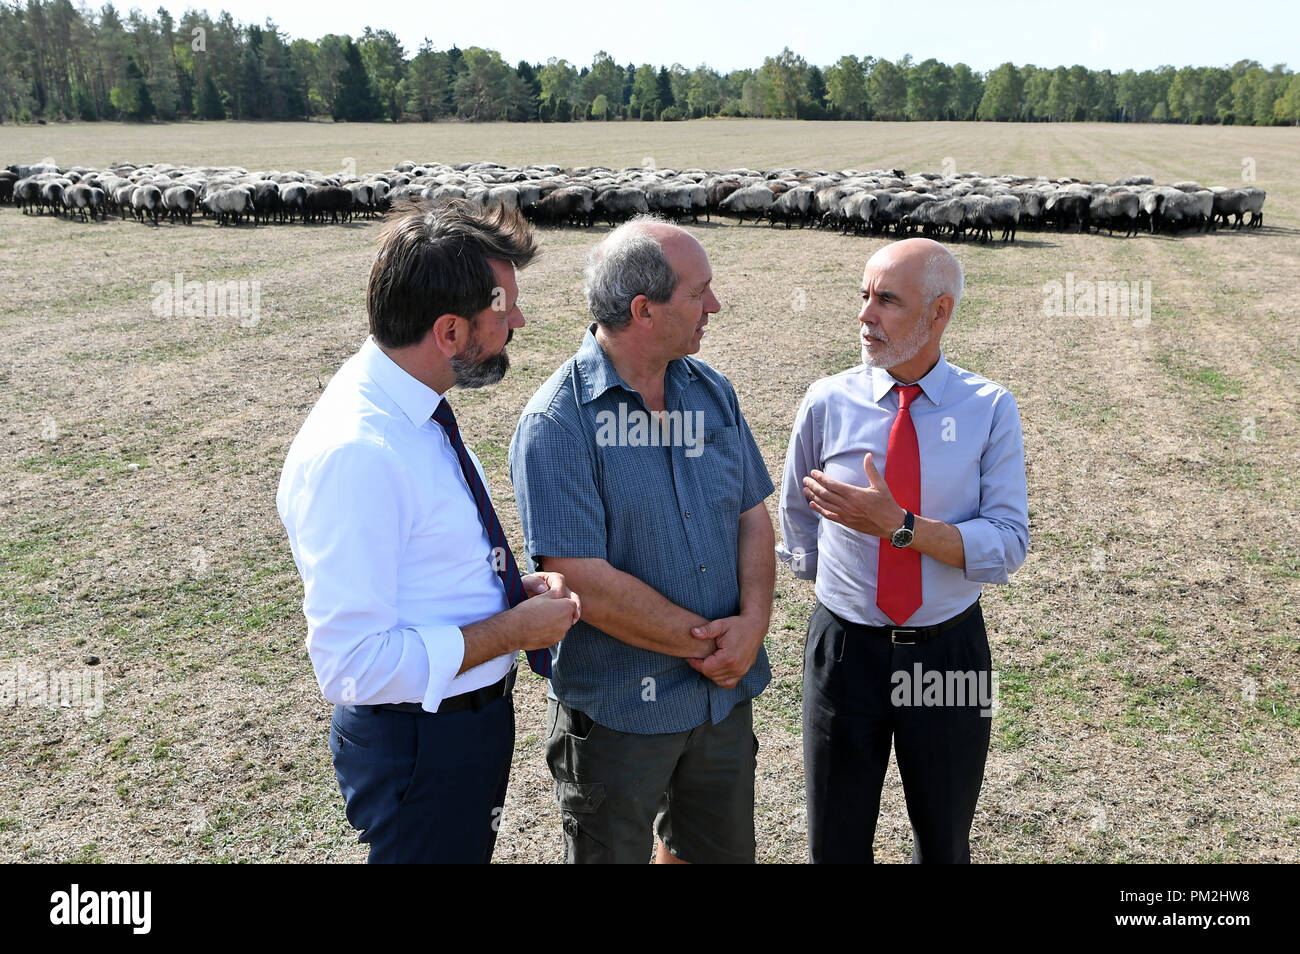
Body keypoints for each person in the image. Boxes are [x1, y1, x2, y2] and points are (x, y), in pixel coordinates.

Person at [276, 199, 579, 863]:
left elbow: (424, 566)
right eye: (504, 311)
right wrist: (511, 633)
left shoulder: (410, 405)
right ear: (448, 331)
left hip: (454, 729)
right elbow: (353, 665)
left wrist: (511, 595)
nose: (519, 322)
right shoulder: (359, 450)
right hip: (422, 747)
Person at [508, 216, 775, 864]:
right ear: (643, 310)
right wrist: (714, 645)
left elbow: (751, 517)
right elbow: (582, 579)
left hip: (720, 701)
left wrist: (753, 626)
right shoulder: (558, 423)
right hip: (618, 717)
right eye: (698, 292)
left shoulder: (711, 392)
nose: (714, 305)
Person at [779, 237, 1029, 864]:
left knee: (943, 840)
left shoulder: (990, 409)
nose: (865, 315)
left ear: (939, 312)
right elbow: (796, 517)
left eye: (887, 300)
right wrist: (841, 596)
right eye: (863, 296)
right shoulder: (826, 401)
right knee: (835, 843)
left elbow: (1007, 544)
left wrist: (902, 528)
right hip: (844, 653)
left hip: (947, 655)